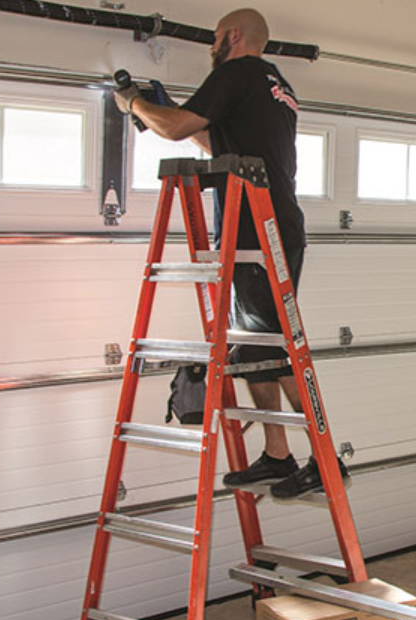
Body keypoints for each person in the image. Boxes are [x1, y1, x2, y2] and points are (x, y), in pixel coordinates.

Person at [115, 8, 342, 499]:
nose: (211, 47)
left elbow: (175, 130)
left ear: (233, 37)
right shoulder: (271, 83)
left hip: (257, 228)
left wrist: (134, 104)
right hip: (266, 225)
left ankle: (325, 461)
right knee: (258, 347)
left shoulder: (236, 71)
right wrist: (168, 108)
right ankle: (278, 455)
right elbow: (206, 138)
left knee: (276, 347)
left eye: (216, 38)